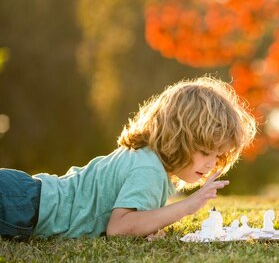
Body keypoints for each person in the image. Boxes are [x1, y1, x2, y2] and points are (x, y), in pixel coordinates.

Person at [0, 76, 256, 239]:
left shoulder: (147, 160)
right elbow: (119, 228)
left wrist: (150, 227)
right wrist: (188, 206)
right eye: (204, 151)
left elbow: (133, 219)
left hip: (25, 199)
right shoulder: (149, 170)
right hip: (23, 205)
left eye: (218, 155)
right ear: (179, 137)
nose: (212, 163)